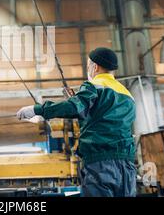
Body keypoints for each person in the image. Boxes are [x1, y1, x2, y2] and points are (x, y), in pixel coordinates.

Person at [17, 47, 136, 197]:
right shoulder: (128, 95)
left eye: (88, 66)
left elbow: (73, 106)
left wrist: (38, 110)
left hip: (100, 164)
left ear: (95, 66)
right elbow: (105, 119)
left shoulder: (93, 86)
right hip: (127, 165)